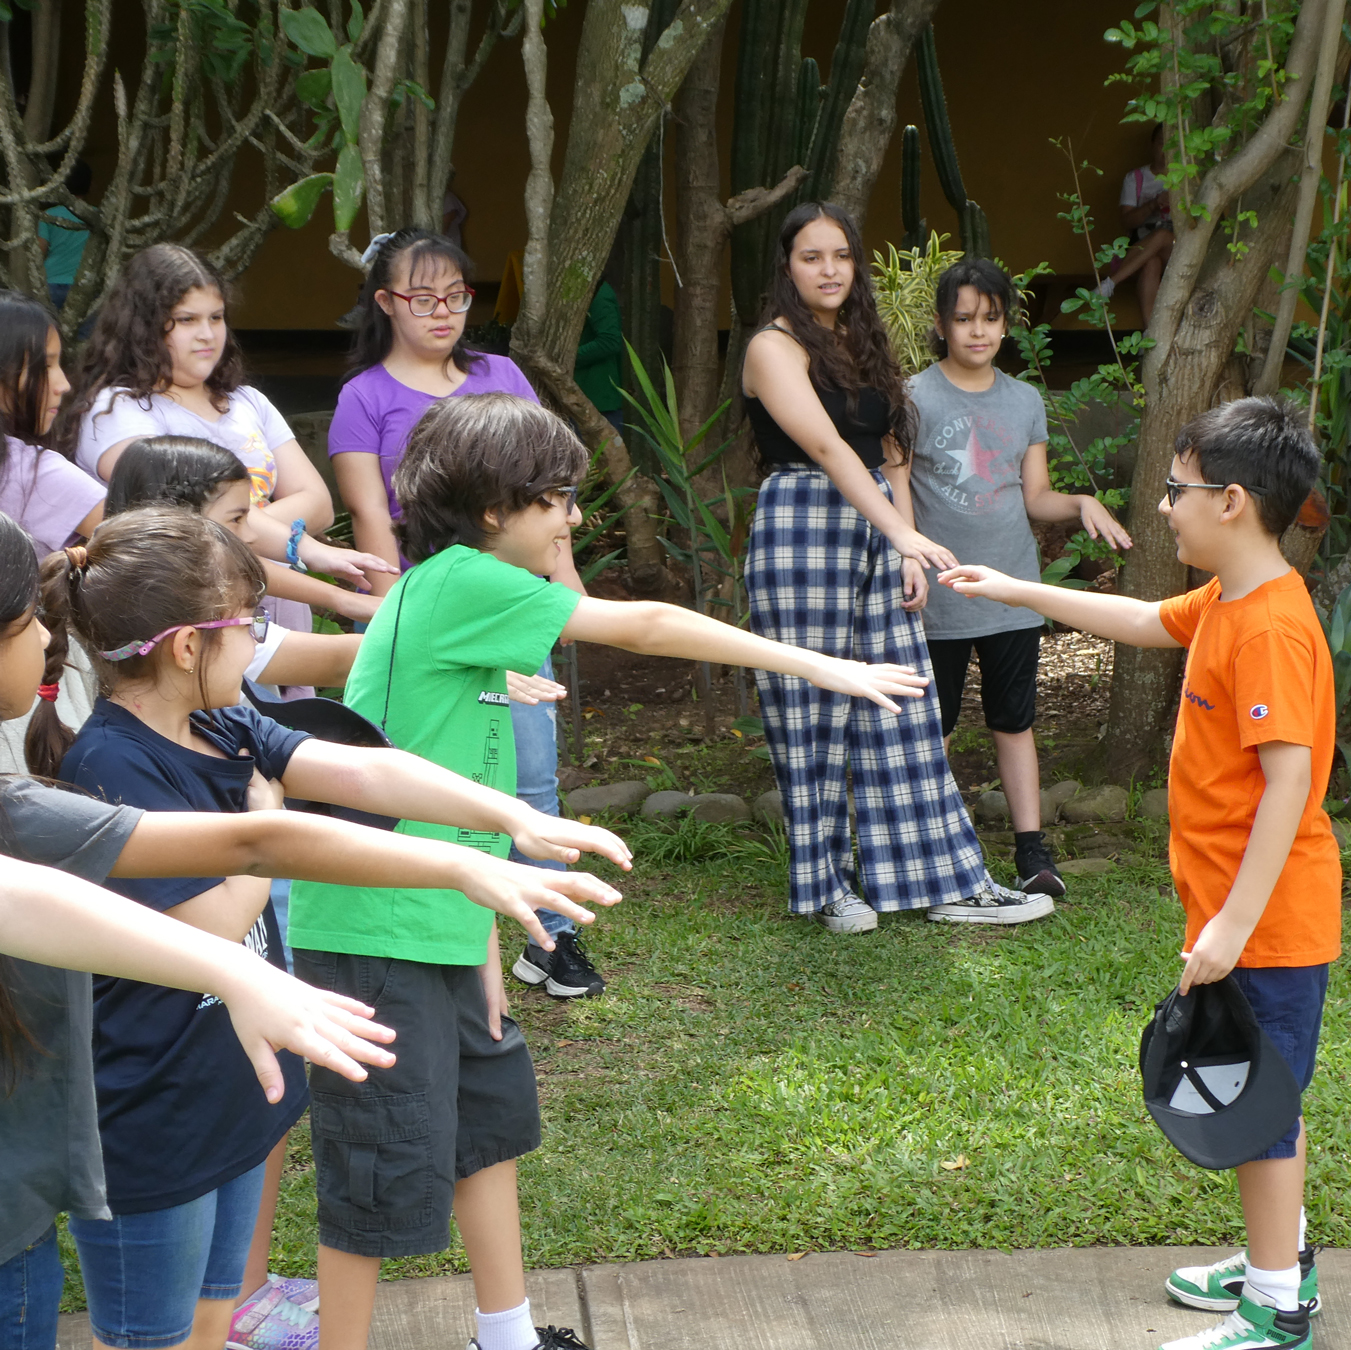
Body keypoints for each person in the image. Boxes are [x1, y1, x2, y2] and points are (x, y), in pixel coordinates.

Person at [286, 390, 926, 1350]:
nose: (575, 519)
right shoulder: (461, 579)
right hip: (379, 933)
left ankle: (505, 1336)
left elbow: (420, 721)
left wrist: (482, 952)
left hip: (444, 921)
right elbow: (645, 627)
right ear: (497, 510)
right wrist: (820, 665)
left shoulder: (457, 592)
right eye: (558, 498)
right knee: (375, 1173)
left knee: (487, 1128)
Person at [0, 500, 620, 1350]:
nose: (260, 642)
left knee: (214, 1319)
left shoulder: (218, 716)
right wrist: (270, 828)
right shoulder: (114, 759)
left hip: (228, 1091)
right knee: (149, 1337)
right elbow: (217, 918)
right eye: (248, 625)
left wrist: (507, 816)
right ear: (188, 646)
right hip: (155, 1113)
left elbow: (360, 771)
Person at [941, 396, 1335, 1350]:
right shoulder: (1227, 600)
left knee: (1260, 1107)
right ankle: (1274, 1254)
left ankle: (1275, 1308)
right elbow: (1136, 617)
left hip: (1269, 923)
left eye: (1176, 488)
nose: (1163, 505)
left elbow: (1287, 786)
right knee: (1257, 1089)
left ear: (1232, 500)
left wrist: (1234, 926)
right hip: (1240, 916)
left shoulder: (1272, 629)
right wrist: (1017, 591)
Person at [739, 200, 1049, 933]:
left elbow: (886, 454)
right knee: (809, 708)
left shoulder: (858, 340)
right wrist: (902, 534)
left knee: (901, 709)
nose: (828, 270)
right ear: (787, 265)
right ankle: (825, 886)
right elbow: (824, 447)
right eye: (811, 256)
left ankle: (935, 877)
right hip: (801, 527)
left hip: (875, 527)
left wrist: (899, 541)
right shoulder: (770, 346)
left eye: (840, 256)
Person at [330, 227, 601, 998]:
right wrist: (392, 627)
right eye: (422, 298)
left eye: (455, 295)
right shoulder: (364, 397)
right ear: (386, 304)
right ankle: (445, 931)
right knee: (431, 783)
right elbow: (373, 528)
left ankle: (552, 940)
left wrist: (565, 586)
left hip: (510, 611)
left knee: (532, 775)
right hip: (429, 619)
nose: (442, 311)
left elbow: (550, 498)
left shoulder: (503, 373)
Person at [906, 257, 1133, 897]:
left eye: (990, 318)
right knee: (935, 728)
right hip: (938, 593)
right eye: (963, 318)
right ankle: (931, 847)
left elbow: (1036, 498)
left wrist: (1082, 503)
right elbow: (896, 497)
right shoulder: (912, 397)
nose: (978, 331)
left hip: (1012, 593)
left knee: (1014, 721)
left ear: (1007, 323)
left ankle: (1031, 852)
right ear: (942, 324)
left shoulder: (1025, 399)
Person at [63, 242, 396, 647]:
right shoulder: (116, 412)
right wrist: (279, 535)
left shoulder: (247, 401)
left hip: (285, 604)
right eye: (186, 320)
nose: (207, 334)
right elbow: (187, 525)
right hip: (194, 624)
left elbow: (320, 505)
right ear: (143, 325)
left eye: (216, 317)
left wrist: (238, 521)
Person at [0, 288, 106, 773]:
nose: (62, 385)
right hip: (24, 707)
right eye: (45, 366)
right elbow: (153, 548)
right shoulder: (36, 473)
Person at [1096, 123, 1174, 326]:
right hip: (1142, 248)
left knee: (1165, 234)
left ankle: (1111, 283)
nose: (1166, 151)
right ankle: (1150, 333)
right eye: (1161, 144)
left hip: (1177, 248)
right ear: (1152, 145)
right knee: (1151, 263)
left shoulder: (1188, 177)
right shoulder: (1136, 178)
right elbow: (1126, 222)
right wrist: (1152, 205)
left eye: (1172, 145)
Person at [37, 159, 92, 313]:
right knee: (85, 335)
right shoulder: (96, 217)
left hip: (52, 283)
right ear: (89, 185)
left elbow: (40, 250)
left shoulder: (49, 215)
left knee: (50, 332)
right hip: (83, 285)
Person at [574, 279, 624, 437]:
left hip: (598, 401)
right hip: (574, 398)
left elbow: (610, 341)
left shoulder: (598, 291)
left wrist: (568, 358)